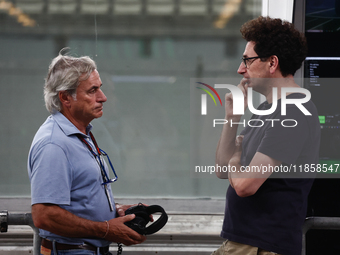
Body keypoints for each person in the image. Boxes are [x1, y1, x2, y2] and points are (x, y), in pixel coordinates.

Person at [212, 16, 320, 255]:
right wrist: (233, 117)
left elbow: (244, 186)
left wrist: (235, 159)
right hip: (246, 242)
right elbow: (222, 170)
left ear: (272, 63)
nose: (240, 69)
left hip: (261, 246)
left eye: (247, 61)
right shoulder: (267, 110)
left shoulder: (292, 112)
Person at [28, 51, 146, 255]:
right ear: (65, 97)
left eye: (100, 88)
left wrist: (115, 211)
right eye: (92, 91)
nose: (103, 97)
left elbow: (80, 197)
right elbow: (44, 215)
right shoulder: (54, 144)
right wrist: (107, 229)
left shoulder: (80, 134)